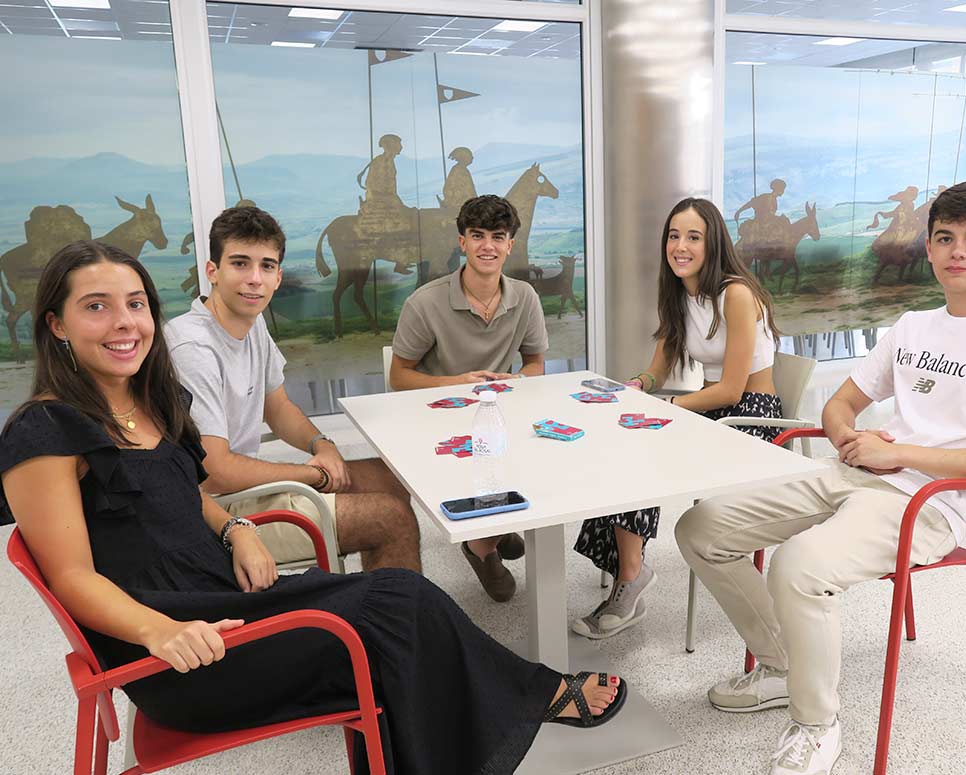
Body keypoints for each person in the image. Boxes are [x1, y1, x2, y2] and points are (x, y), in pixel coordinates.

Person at [0, 241, 628, 775]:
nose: (125, 323)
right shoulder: (45, 431)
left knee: (396, 603)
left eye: (136, 304)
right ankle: (536, 692)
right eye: (96, 307)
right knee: (398, 605)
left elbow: (188, 497)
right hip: (188, 652)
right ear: (55, 323)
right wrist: (159, 631)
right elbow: (71, 577)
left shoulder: (146, 401)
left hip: (226, 601)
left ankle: (515, 698)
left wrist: (238, 529)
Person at [675, 181, 966, 775]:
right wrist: (850, 441)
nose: (957, 251)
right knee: (701, 527)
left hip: (930, 504)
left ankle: (816, 724)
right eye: (945, 238)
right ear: (931, 247)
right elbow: (838, 407)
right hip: (857, 474)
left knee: (799, 565)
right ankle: (783, 666)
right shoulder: (912, 326)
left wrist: (905, 454)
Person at [165, 206, 421, 573]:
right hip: (212, 513)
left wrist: (322, 445)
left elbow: (278, 407)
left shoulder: (251, 324)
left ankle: (376, 610)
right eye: (240, 263)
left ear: (278, 276)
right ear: (212, 272)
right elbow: (215, 471)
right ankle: (394, 624)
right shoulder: (193, 347)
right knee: (389, 518)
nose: (255, 279)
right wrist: (311, 474)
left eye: (266, 266)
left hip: (239, 490)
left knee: (387, 478)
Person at [571, 197, 781, 640]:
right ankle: (632, 571)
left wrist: (667, 409)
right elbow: (659, 367)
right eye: (673, 235)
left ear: (713, 243)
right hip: (713, 411)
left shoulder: (736, 294)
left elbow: (731, 390)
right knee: (625, 446)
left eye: (693, 237)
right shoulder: (681, 293)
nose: (680, 246)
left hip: (752, 420)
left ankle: (630, 579)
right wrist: (639, 385)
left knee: (644, 450)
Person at [390, 195, 548, 602]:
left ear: (510, 244)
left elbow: (535, 367)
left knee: (536, 446)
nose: (487, 246)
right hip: (439, 416)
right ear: (462, 242)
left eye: (498, 237)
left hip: (500, 408)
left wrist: (511, 381)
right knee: (484, 450)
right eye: (477, 236)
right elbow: (399, 376)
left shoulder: (526, 298)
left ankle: (495, 527)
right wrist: (457, 383)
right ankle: (483, 547)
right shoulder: (424, 303)